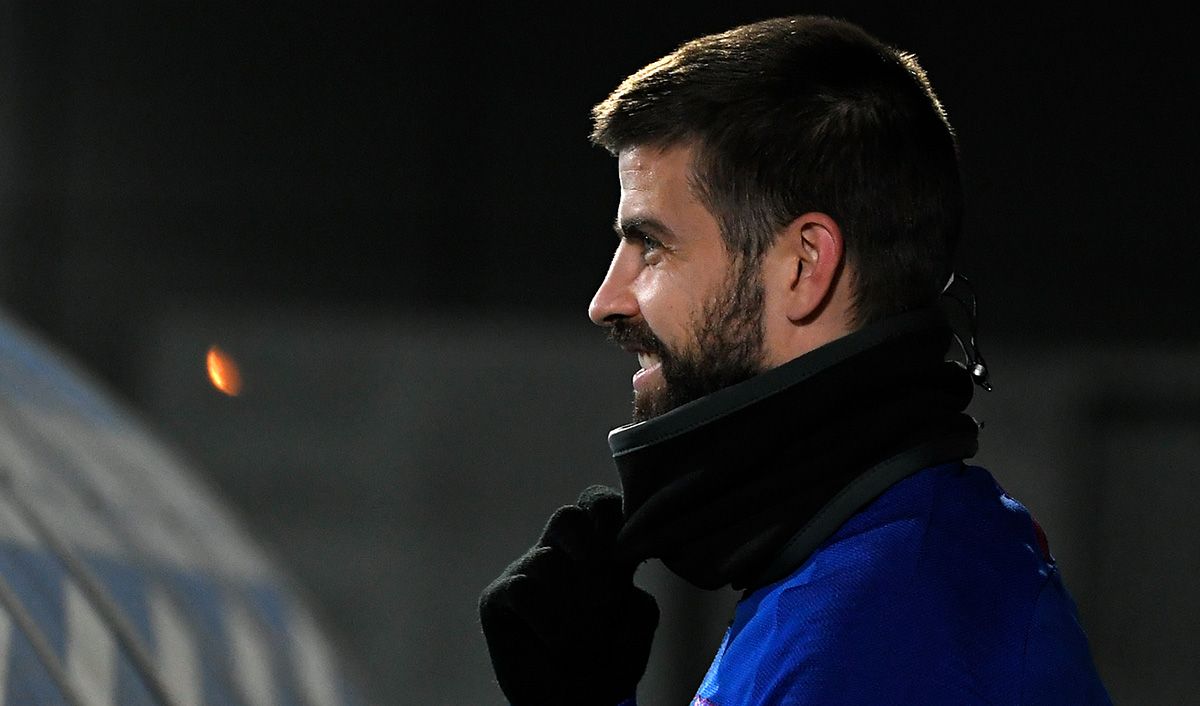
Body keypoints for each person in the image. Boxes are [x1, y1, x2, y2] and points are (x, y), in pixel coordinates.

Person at [479, 15, 1111, 705]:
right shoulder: (861, 571)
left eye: (651, 244)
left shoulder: (879, 628)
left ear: (804, 265)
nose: (607, 300)